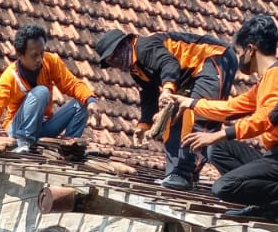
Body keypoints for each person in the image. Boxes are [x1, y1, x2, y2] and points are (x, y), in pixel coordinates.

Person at [168, 14, 278, 226]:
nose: (240, 58)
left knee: (223, 187)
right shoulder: (264, 83)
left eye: (240, 53)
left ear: (250, 50)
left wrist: (218, 134)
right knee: (219, 149)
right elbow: (231, 108)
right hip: (276, 158)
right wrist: (190, 103)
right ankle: (267, 206)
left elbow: (266, 118)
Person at [93, 29, 238, 189]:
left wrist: (168, 90)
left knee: (198, 117)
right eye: (110, 62)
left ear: (123, 46)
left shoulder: (143, 47)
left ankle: (185, 173)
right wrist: (144, 125)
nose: (114, 64)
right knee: (173, 121)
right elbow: (149, 95)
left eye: (113, 58)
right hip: (188, 77)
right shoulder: (137, 69)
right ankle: (176, 174)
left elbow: (169, 64)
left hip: (214, 58)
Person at [0, 23, 96, 152]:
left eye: (42, 53)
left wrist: (90, 100)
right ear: (20, 54)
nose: (39, 59)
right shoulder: (10, 76)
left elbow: (72, 84)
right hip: (18, 129)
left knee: (82, 102)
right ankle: (24, 143)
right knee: (41, 91)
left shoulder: (51, 62)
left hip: (43, 127)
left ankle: (70, 149)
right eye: (34, 55)